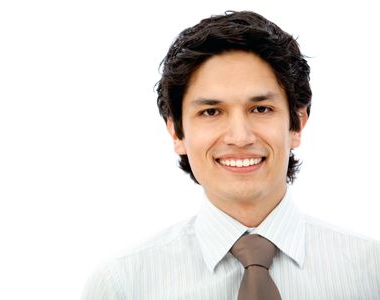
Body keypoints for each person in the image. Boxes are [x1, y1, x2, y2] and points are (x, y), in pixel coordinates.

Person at [81, 10, 380, 299]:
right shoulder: (123, 285)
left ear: (297, 124)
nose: (240, 137)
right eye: (211, 111)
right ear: (176, 133)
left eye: (261, 109)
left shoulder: (372, 273)